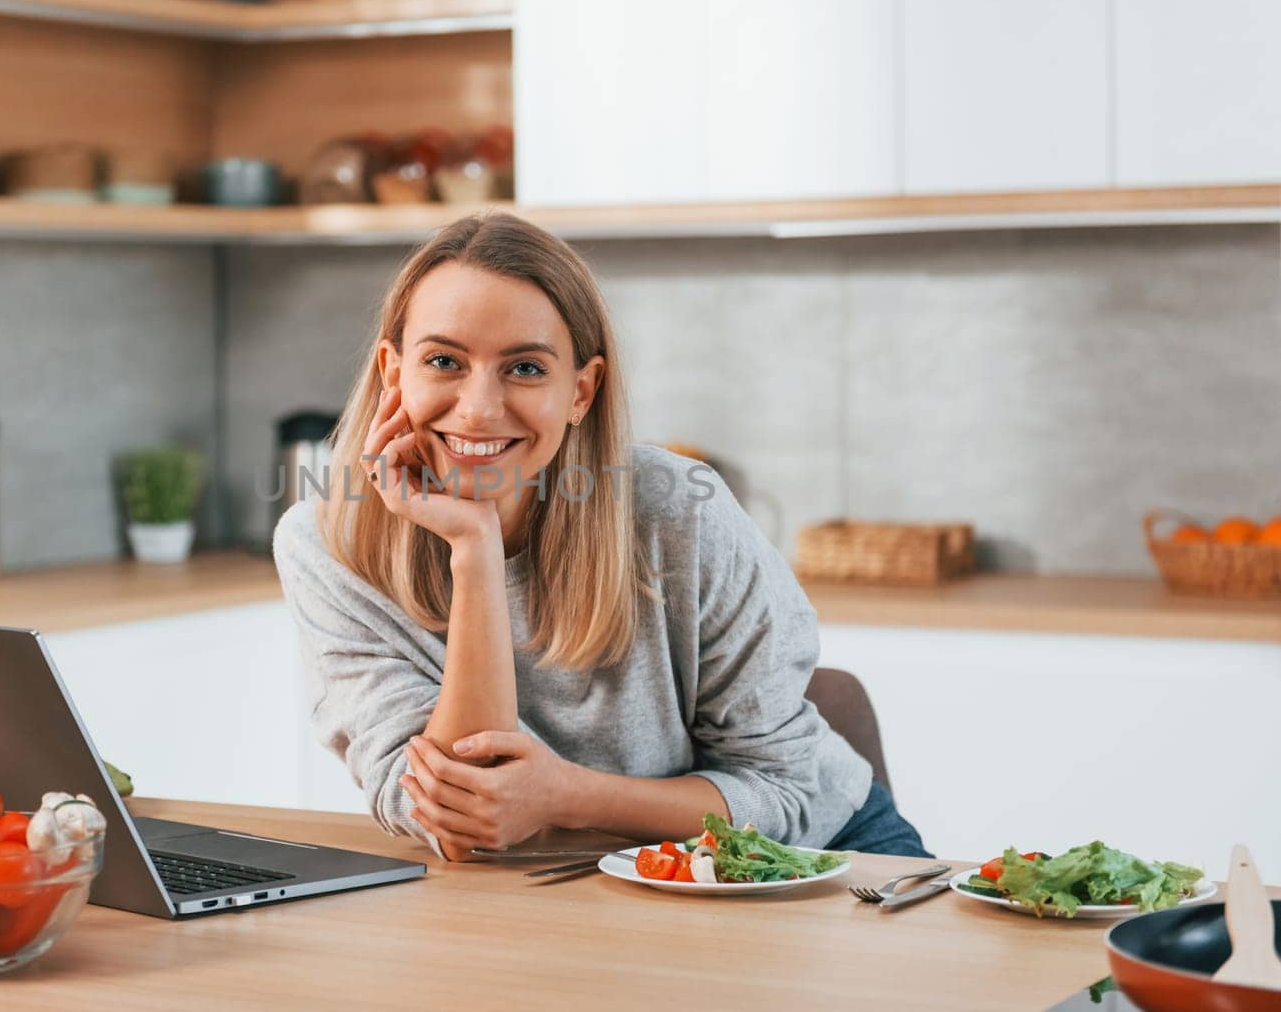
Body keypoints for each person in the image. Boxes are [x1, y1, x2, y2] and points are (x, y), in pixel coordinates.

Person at [273, 213, 927, 862]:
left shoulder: (677, 511)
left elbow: (781, 790)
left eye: (525, 368)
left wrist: (565, 796)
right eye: (444, 360)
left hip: (808, 852)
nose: (478, 407)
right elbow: (459, 822)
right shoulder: (326, 547)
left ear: (581, 391)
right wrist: (473, 548)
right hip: (569, 885)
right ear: (393, 373)